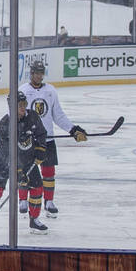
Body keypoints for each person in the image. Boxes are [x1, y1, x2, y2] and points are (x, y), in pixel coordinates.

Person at [18, 60, 86, 217]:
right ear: (31, 73)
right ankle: (23, 199)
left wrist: (73, 129)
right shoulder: (23, 90)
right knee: (25, 171)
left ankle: (49, 202)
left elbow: (58, 115)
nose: (39, 76)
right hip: (28, 140)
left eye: (41, 73)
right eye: (36, 73)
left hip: (47, 139)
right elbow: (16, 113)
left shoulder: (51, 91)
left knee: (48, 172)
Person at [0, 91, 49, 234]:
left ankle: (34, 220)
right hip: (4, 161)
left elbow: (41, 133)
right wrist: (18, 171)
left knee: (37, 187)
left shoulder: (33, 117)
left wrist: (41, 149)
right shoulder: (4, 124)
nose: (23, 108)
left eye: (24, 104)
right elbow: (5, 152)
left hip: (27, 158)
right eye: (20, 105)